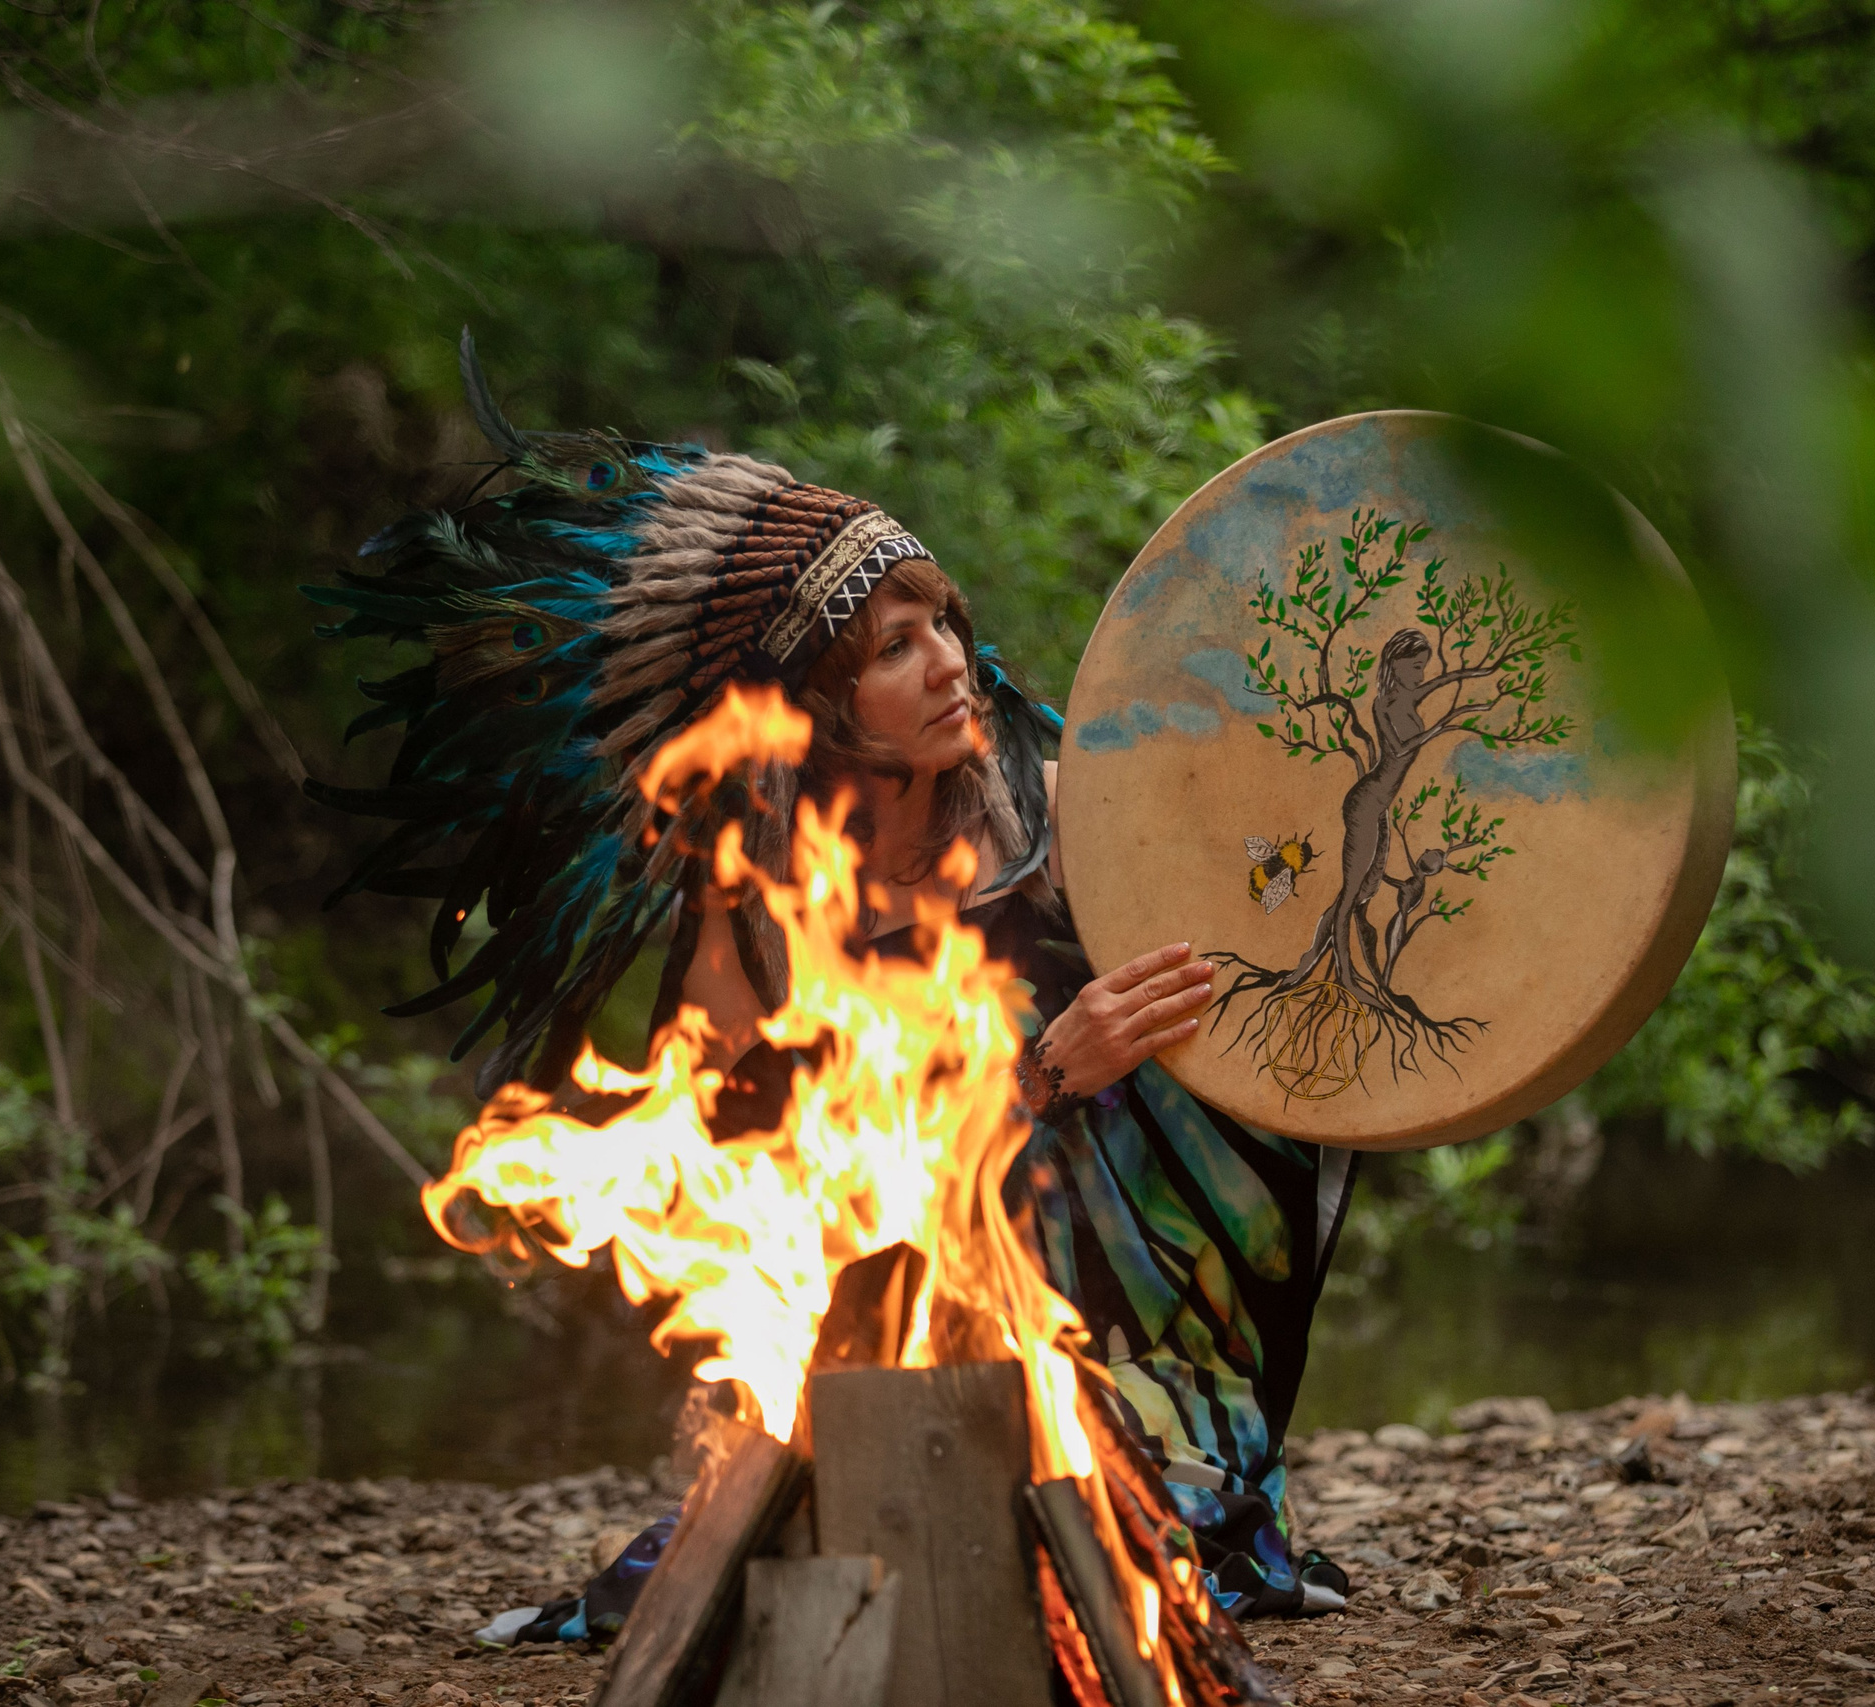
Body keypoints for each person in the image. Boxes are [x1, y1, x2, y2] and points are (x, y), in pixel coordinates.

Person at [307, 339, 1357, 1640]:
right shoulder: (752, 919)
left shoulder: (1053, 806)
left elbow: (1263, 939)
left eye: (944, 625)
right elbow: (797, 1220)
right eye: (896, 648)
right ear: (808, 705)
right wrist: (1040, 1075)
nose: (951, 663)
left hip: (1107, 1299)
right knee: (815, 1518)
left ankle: (1160, 1457)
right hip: (908, 1310)